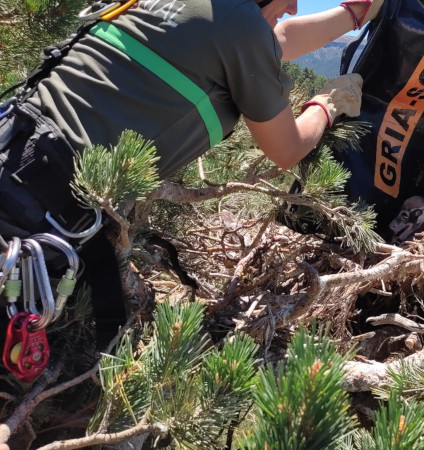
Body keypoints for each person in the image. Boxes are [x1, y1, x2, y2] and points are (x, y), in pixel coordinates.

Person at [0, 0, 382, 360]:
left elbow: (270, 42)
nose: (295, 6)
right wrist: (325, 107)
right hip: (38, 213)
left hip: (16, 153)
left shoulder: (213, 16)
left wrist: (354, 13)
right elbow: (286, 148)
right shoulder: (241, 29)